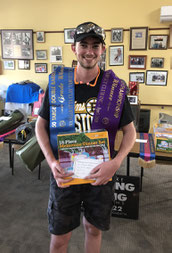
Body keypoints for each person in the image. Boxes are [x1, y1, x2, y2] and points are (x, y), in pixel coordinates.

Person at [35, 22, 136, 253]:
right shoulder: (58, 83)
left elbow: (130, 131)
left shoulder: (115, 87)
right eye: (83, 45)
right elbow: (40, 126)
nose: (89, 51)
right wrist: (51, 162)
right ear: (74, 48)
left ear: (102, 50)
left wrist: (116, 162)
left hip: (100, 172)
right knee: (60, 236)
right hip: (64, 171)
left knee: (93, 229)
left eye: (95, 45)